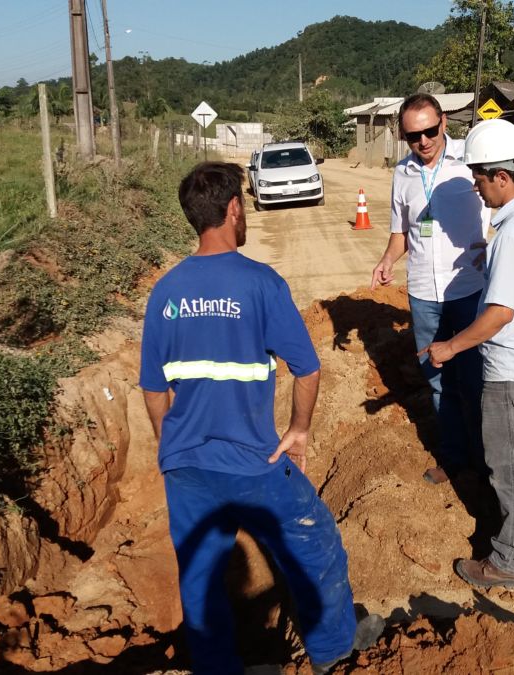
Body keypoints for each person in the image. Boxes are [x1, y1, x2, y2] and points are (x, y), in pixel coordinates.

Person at [140, 162, 378, 673]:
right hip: (253, 463)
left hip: (186, 467)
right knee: (316, 548)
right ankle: (335, 653)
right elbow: (307, 368)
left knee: (201, 580)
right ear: (232, 210)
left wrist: (172, 443)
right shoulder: (260, 284)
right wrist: (298, 431)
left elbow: (154, 388)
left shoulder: (165, 291)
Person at [420, 119, 514, 589]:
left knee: (509, 471)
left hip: (513, 372)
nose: (479, 191)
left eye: (480, 181)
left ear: (501, 177)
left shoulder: (513, 233)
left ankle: (508, 562)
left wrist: (449, 345)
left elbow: (500, 313)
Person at [370, 93, 488, 485]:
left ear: (444, 124)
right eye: (412, 136)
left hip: (468, 290)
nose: (422, 141)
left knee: (473, 380)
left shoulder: (473, 159)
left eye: (429, 131)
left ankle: (485, 463)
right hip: (423, 294)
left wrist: (495, 242)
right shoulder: (403, 173)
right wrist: (388, 260)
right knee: (438, 381)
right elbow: (400, 232)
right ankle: (454, 460)